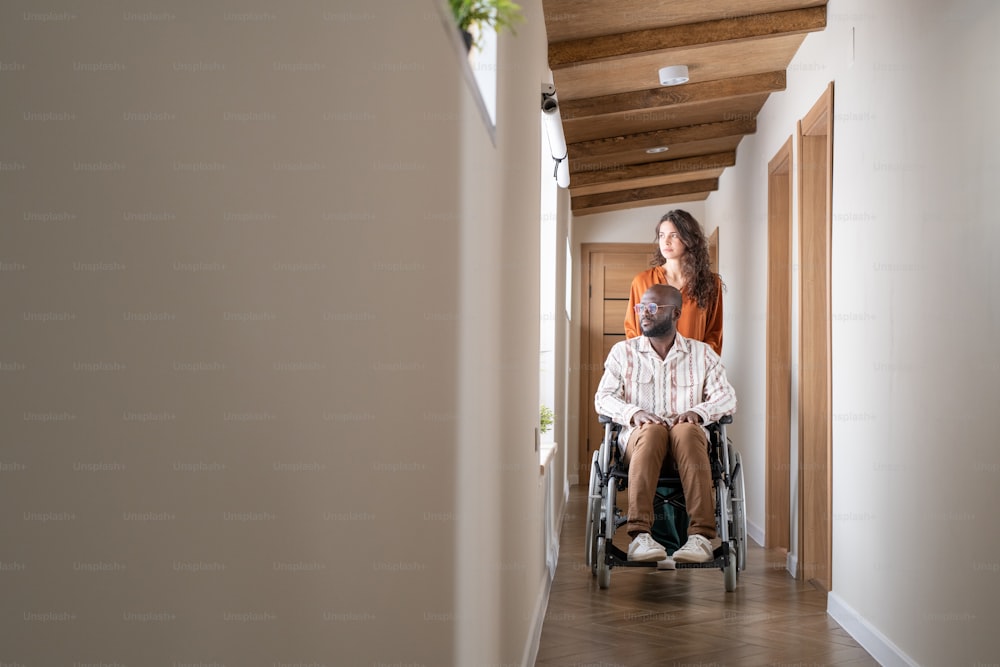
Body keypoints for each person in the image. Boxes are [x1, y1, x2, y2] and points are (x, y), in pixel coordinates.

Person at [595, 284, 737, 563]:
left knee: (685, 429)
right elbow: (603, 398)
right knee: (652, 431)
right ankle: (641, 537)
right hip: (639, 446)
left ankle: (699, 538)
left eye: (652, 308)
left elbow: (727, 398)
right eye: (640, 308)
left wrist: (699, 412)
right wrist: (634, 413)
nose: (643, 314)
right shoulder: (622, 353)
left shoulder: (703, 355)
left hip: (689, 448)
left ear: (675, 313)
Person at [623, 209, 724, 355]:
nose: (666, 241)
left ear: (689, 239)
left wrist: (699, 365)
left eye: (674, 235)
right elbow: (632, 331)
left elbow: (714, 334)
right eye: (662, 235)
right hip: (652, 369)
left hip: (694, 369)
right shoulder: (642, 281)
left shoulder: (711, 283)